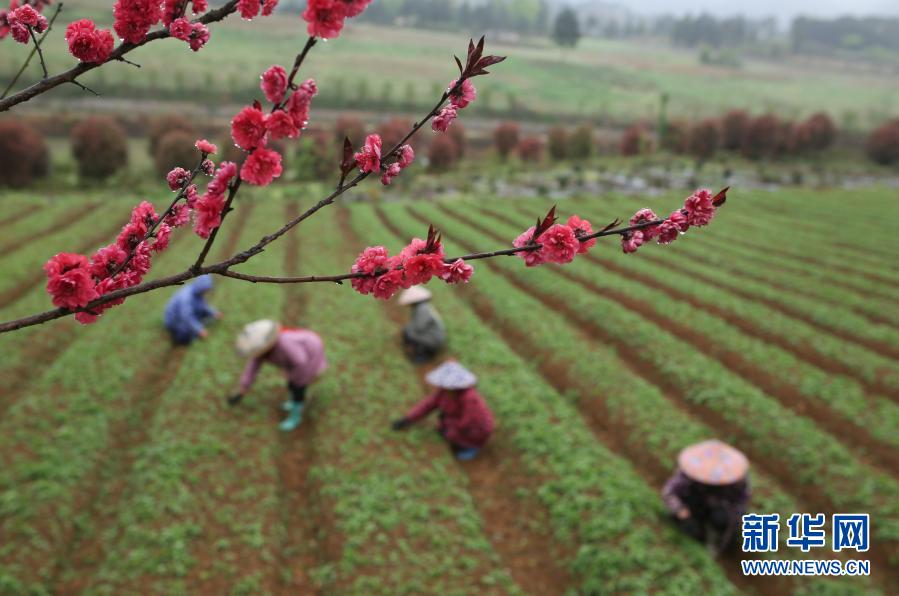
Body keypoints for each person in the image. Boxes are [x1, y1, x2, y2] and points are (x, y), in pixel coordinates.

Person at [227, 320, 327, 432]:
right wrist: (243, 388)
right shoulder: (261, 350)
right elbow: (252, 368)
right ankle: (293, 402)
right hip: (298, 359)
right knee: (291, 384)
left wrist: (292, 377)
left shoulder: (285, 344)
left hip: (311, 353)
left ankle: (295, 416)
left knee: (298, 387)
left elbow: (300, 361)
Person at [391, 360, 494, 461]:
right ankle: (455, 439)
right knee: (444, 428)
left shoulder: (469, 398)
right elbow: (427, 405)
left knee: (458, 446)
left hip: (477, 429)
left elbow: (469, 422)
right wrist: (407, 419)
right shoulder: (444, 392)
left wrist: (450, 427)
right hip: (459, 420)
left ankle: (469, 447)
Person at [662, 440, 750, 556]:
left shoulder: (737, 481)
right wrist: (681, 511)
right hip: (694, 503)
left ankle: (715, 539)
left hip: (719, 507)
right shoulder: (690, 473)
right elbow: (669, 492)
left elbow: (740, 503)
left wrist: (731, 521)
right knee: (690, 528)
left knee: (721, 519)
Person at [163, 274, 221, 345]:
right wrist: (199, 330)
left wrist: (213, 312)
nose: (206, 292)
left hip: (186, 315)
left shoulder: (197, 292)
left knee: (204, 315)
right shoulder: (186, 297)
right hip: (175, 320)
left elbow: (202, 305)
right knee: (185, 336)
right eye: (205, 290)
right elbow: (187, 317)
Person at [398, 286, 446, 364]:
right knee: (408, 331)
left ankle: (425, 353)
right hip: (432, 335)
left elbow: (419, 327)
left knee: (409, 333)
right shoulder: (422, 306)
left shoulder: (422, 309)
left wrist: (407, 330)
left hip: (434, 339)